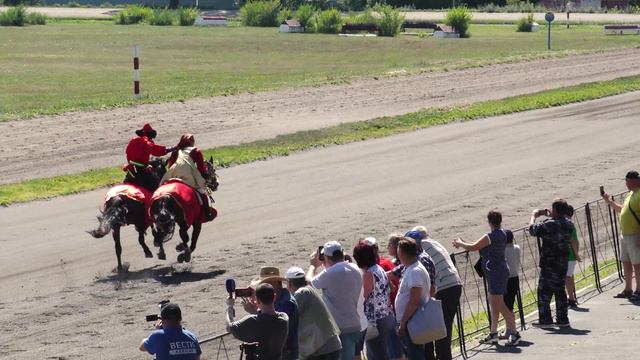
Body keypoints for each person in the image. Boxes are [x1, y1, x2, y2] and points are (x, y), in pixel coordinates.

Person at [453, 211, 520, 346]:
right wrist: (464, 243)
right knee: (494, 304)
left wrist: (460, 243)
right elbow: (478, 245)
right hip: (497, 271)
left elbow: (473, 247)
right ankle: (493, 333)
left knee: (499, 304)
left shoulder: (491, 235)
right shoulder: (502, 233)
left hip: (495, 272)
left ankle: (514, 332)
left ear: (489, 222)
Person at [406, 226, 462, 360]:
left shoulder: (422, 247)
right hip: (454, 285)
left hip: (443, 289)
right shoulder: (435, 243)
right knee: (443, 332)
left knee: (438, 333)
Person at [307, 241, 365, 360]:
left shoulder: (330, 273)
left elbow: (309, 282)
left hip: (341, 328)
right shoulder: (354, 268)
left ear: (327, 258)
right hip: (355, 325)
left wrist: (313, 265)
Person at [528, 199, 574, 328]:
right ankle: (562, 318)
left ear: (554, 210)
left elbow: (533, 230)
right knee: (560, 291)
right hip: (562, 263)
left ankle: (545, 319)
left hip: (549, 263)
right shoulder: (569, 224)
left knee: (544, 292)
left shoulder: (549, 224)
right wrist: (552, 216)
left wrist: (534, 216)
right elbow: (559, 224)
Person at [242, 267, 299, 360]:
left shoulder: (286, 303)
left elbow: (274, 325)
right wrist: (259, 304)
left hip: (286, 354)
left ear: (275, 283)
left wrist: (254, 312)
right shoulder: (279, 298)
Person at [285, 267, 342, 360]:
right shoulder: (308, 290)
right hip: (328, 345)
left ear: (290, 283)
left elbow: (289, 315)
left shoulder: (302, 293)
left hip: (322, 348)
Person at [353, 240, 396, 360]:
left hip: (376, 321)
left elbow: (363, 298)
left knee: (377, 355)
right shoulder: (379, 268)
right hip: (387, 315)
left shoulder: (368, 275)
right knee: (387, 353)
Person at [603, 171, 640, 300]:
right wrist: (609, 201)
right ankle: (628, 289)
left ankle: (639, 290)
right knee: (626, 262)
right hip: (625, 234)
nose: (626, 183)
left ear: (633, 181)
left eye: (627, 180)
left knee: (637, 263)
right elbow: (623, 210)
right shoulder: (630, 194)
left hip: (635, 234)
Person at [227, 283, 290, 360]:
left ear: (257, 300)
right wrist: (256, 308)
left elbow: (229, 327)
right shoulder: (284, 319)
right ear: (274, 297)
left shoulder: (252, 321)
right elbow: (268, 320)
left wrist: (230, 306)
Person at [161, 134, 215, 221]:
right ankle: (207, 212)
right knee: (202, 191)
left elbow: (170, 165)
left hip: (173, 175)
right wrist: (203, 176)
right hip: (188, 177)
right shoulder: (196, 151)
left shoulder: (175, 151)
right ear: (192, 142)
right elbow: (201, 168)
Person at [395, 238, 430, 360]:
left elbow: (414, 301)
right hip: (413, 321)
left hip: (413, 322)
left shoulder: (415, 271)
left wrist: (403, 322)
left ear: (402, 253)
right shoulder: (411, 268)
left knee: (415, 355)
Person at [124, 123, 175, 191]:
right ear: (149, 135)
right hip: (141, 170)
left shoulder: (132, 140)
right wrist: (171, 149)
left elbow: (128, 153)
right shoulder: (145, 140)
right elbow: (154, 150)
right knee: (156, 188)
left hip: (131, 170)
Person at [565, 205, 582, 308]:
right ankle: (571, 297)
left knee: (567, 277)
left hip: (569, 255)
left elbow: (574, 241)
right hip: (570, 256)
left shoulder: (569, 225)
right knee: (569, 276)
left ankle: (571, 298)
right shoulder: (569, 224)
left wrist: (576, 255)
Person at [503, 230, 521, 314]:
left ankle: (510, 324)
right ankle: (511, 324)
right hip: (515, 278)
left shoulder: (503, 251)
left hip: (506, 280)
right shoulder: (517, 248)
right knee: (510, 305)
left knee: (504, 305)